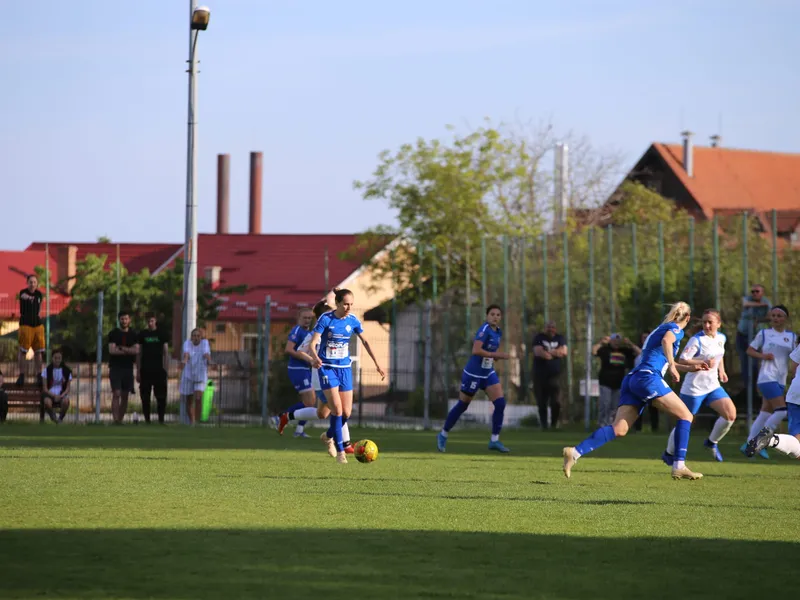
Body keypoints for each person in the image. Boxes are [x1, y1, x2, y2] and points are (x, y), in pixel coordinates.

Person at [562, 302, 710, 481]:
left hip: (634, 378)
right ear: (687, 318)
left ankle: (574, 453)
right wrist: (673, 366)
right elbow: (667, 343)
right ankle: (679, 465)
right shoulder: (675, 329)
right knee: (686, 416)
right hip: (648, 378)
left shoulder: (660, 328)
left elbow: (662, 359)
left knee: (619, 429)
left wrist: (688, 368)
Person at [308, 288, 385, 464]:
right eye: (345, 304)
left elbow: (365, 341)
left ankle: (328, 436)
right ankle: (341, 451)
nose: (349, 307)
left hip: (344, 369)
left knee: (347, 413)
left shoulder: (352, 320)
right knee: (337, 410)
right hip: (327, 368)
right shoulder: (326, 319)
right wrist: (315, 356)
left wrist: (377, 364)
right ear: (338, 303)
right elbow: (313, 343)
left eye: (351, 304)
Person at [662, 309, 736, 464]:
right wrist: (700, 362)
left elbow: (719, 356)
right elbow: (682, 359)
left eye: (710, 322)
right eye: (704, 322)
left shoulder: (721, 338)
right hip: (694, 389)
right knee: (685, 420)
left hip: (713, 386)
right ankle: (669, 453)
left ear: (718, 324)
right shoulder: (697, 340)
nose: (707, 325)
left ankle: (711, 442)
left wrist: (722, 371)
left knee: (730, 415)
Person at [277, 302, 354, 448]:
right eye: (331, 314)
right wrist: (313, 360)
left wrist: (340, 297)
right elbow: (299, 350)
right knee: (339, 409)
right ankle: (344, 444)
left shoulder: (332, 330)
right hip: (322, 376)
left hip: (333, 375)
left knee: (323, 413)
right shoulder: (315, 334)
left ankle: (287, 417)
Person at [437, 304, 511, 453]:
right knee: (463, 405)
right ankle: (443, 434)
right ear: (487, 316)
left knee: (500, 403)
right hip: (473, 374)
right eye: (492, 314)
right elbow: (476, 350)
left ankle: (494, 440)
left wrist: (493, 358)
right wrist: (496, 355)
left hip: (488, 373)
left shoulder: (498, 332)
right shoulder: (484, 330)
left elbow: (489, 351)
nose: (495, 317)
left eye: (498, 315)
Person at [741, 305, 796, 458]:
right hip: (767, 377)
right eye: (773, 316)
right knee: (781, 411)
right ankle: (760, 440)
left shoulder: (791, 337)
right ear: (770, 318)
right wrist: (763, 356)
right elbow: (749, 350)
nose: (776, 319)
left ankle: (749, 442)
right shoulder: (764, 333)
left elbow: (794, 356)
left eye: (779, 316)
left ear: (785, 318)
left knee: (765, 412)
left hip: (780, 379)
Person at [745, 343, 800, 459]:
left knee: (797, 444)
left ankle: (771, 440)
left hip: (795, 392)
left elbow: (794, 367)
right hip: (772, 381)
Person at [278, 308, 316, 438]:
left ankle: (299, 430)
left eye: (310, 318)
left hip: (305, 369)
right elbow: (288, 349)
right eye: (305, 318)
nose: (307, 320)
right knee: (310, 403)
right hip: (297, 370)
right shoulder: (297, 331)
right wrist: (305, 357)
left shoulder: (308, 332)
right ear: (299, 318)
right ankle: (282, 417)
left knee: (310, 403)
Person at [593, 334, 640, 427]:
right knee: (605, 404)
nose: (616, 342)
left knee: (615, 406)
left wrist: (630, 343)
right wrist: (601, 342)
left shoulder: (625, 351)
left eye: (618, 340)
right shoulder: (605, 350)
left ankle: (611, 425)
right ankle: (602, 423)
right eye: (614, 340)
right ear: (611, 341)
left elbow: (640, 353)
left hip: (619, 383)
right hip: (605, 382)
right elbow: (593, 351)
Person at [532, 321, 568, 430]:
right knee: (541, 401)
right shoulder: (538, 337)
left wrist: (549, 352)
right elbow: (538, 352)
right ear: (545, 328)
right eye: (548, 327)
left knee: (556, 401)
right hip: (540, 375)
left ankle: (554, 424)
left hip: (555, 376)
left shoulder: (560, 338)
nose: (550, 329)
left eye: (552, 327)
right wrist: (555, 353)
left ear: (555, 329)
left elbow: (564, 352)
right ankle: (544, 425)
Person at [136, 313, 169, 424]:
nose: (150, 323)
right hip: (145, 370)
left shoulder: (161, 334)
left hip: (159, 370)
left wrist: (166, 369)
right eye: (148, 321)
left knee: (161, 397)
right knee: (145, 397)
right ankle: (147, 420)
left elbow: (165, 352)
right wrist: (138, 370)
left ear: (155, 321)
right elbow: (139, 353)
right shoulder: (142, 334)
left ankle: (161, 420)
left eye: (152, 321)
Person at [108, 310, 138, 424]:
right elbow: (112, 350)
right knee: (116, 393)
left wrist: (121, 348)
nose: (124, 321)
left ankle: (120, 420)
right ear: (119, 320)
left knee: (125, 395)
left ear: (129, 320)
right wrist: (128, 350)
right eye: (122, 319)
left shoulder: (134, 334)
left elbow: (136, 350)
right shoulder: (113, 333)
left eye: (126, 319)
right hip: (115, 367)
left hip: (128, 368)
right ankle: (115, 420)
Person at [16, 274, 45, 386]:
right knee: (23, 351)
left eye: (34, 282)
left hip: (37, 325)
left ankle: (39, 375)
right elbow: (26, 297)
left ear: (37, 283)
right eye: (30, 282)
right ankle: (22, 375)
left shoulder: (39, 294)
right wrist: (31, 298)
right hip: (26, 325)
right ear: (27, 283)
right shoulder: (23, 293)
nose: (32, 284)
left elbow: (39, 308)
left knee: (38, 352)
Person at [180, 328, 212, 425]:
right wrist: (185, 360)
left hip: (200, 375)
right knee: (189, 400)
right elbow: (186, 354)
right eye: (194, 335)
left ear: (201, 337)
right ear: (191, 337)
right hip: (188, 375)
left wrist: (210, 361)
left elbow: (206, 353)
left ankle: (197, 422)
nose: (196, 338)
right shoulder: (187, 343)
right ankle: (192, 423)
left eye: (198, 336)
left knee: (198, 398)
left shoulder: (205, 343)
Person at [633, 331, 660, 433]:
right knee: (638, 406)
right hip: (638, 382)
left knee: (653, 405)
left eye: (647, 337)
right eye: (643, 337)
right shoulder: (636, 352)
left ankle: (655, 428)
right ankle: (637, 428)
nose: (645, 339)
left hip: (651, 381)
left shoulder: (653, 349)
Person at [40, 348, 72, 424]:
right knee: (47, 402)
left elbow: (67, 388)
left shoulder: (67, 371)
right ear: (52, 358)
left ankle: (60, 418)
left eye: (59, 358)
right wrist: (54, 396)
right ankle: (53, 417)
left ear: (61, 359)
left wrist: (61, 396)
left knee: (66, 401)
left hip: (61, 394)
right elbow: (45, 388)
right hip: (49, 394)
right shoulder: (46, 371)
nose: (57, 360)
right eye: (55, 358)